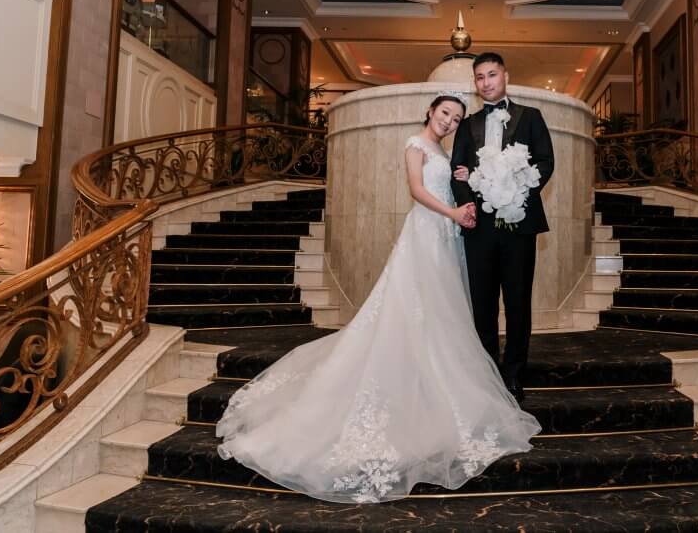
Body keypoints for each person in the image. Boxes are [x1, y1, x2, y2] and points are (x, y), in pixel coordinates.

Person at [216, 92, 540, 503]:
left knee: (442, 315)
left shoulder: (442, 149)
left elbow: (445, 186)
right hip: (426, 231)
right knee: (413, 309)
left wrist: (462, 186)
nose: (449, 121)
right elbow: (417, 191)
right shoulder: (415, 144)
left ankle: (433, 380)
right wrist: (453, 213)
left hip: (445, 235)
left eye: (456, 117)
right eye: (445, 113)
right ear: (430, 111)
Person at [450, 53, 555, 402]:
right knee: (483, 304)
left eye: (491, 74)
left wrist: (520, 190)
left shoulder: (531, 117)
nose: (486, 82)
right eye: (479, 77)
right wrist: (469, 205)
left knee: (517, 302)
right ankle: (487, 373)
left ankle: (513, 374)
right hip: (480, 227)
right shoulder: (468, 125)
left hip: (519, 224)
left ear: (505, 76)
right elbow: (458, 169)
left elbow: (545, 161)